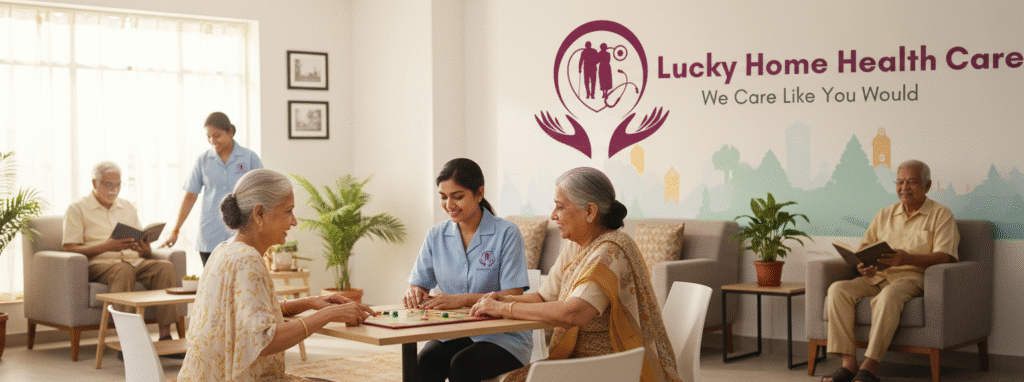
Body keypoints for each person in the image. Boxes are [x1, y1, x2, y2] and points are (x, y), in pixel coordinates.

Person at [471, 167, 682, 382]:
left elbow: (574, 313)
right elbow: (544, 297)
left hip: (610, 368)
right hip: (581, 362)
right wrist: (502, 299)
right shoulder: (577, 245)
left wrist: (504, 308)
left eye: (560, 207)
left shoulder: (610, 251)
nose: (553, 216)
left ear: (589, 212)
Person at [178, 169, 375, 382]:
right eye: (288, 211)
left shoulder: (224, 250)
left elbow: (246, 314)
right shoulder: (248, 260)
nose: (294, 222)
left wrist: (310, 302)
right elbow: (265, 341)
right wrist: (329, 314)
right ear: (259, 213)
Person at [820, 160, 960, 382]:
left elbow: (947, 256)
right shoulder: (884, 214)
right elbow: (865, 248)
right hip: (876, 277)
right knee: (837, 290)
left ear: (927, 185)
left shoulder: (941, 215)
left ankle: (870, 366)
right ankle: (848, 364)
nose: (904, 187)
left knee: (888, 297)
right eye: (900, 182)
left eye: (911, 182)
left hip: (911, 278)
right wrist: (861, 264)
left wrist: (907, 258)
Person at [404, 158, 532, 382]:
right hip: (454, 330)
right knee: (425, 360)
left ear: (479, 194)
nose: (449, 205)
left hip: (503, 337)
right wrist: (414, 290)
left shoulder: (507, 233)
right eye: (444, 197)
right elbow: (418, 283)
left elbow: (513, 295)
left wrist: (461, 299)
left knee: (463, 365)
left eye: (458, 196)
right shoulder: (436, 235)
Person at [62, 161, 180, 344]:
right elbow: (68, 248)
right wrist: (106, 246)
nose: (114, 189)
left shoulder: (127, 206)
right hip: (101, 264)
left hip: (134, 261)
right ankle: (129, 341)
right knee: (123, 270)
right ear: (95, 183)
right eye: (109, 184)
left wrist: (145, 249)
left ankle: (165, 335)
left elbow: (140, 239)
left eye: (118, 184)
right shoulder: (77, 208)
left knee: (164, 267)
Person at [162, 112, 263, 266]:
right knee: (212, 287)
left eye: (216, 136)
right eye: (208, 137)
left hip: (242, 234)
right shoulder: (203, 160)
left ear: (230, 131)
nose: (212, 141)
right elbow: (190, 196)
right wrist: (175, 231)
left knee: (242, 283)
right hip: (210, 236)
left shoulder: (249, 158)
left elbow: (261, 192)